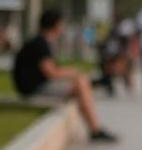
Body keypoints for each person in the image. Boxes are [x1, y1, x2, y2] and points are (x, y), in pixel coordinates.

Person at [12, 8, 119, 142]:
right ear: (56, 25)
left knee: (81, 82)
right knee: (81, 82)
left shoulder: (41, 42)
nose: (63, 27)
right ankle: (95, 129)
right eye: (62, 24)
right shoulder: (40, 43)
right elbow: (51, 72)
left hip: (37, 85)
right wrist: (73, 72)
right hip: (32, 89)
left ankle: (95, 127)